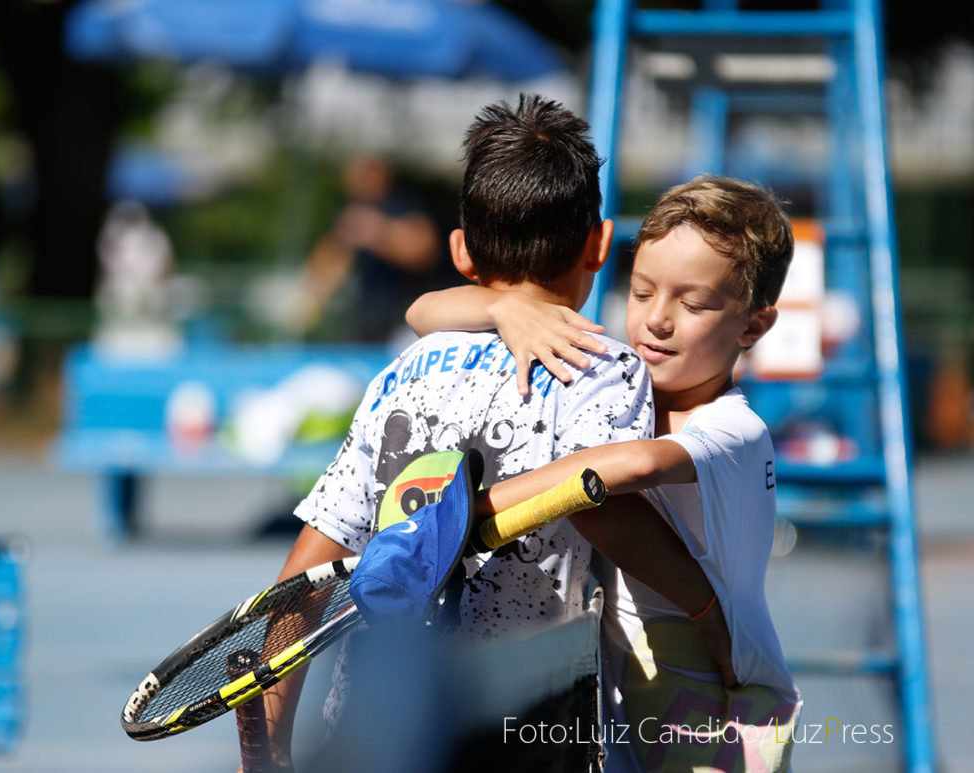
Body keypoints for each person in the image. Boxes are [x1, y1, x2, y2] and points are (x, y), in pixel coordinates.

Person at [261, 96, 732, 770]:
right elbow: (602, 508)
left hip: (379, 722)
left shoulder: (405, 369)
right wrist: (707, 607)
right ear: (599, 244)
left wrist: (272, 741)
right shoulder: (603, 369)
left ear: (460, 251)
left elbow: (307, 568)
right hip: (520, 721)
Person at [406, 175, 803, 771]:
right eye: (641, 293)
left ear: (752, 327)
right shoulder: (620, 383)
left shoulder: (735, 430)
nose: (657, 321)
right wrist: (505, 306)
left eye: (692, 304)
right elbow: (422, 312)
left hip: (718, 695)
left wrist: (471, 511)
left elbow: (632, 467)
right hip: (623, 687)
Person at [295, 154, 442, 343]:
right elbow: (331, 257)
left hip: (401, 310)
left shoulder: (402, 207)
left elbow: (424, 252)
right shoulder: (351, 210)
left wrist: (379, 234)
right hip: (364, 312)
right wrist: (311, 298)